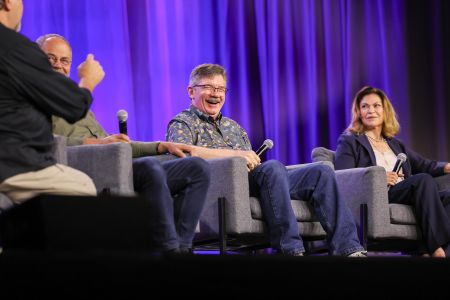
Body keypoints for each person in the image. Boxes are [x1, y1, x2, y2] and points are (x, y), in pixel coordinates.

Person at [166, 63, 366, 256]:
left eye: (221, 88)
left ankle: (349, 248)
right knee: (272, 168)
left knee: (320, 172)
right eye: (208, 87)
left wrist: (250, 159)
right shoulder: (182, 123)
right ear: (191, 91)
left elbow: (253, 162)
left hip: (258, 180)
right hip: (224, 187)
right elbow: (184, 156)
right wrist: (237, 156)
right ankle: (292, 249)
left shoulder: (233, 126)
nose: (216, 94)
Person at [37, 33, 210, 254]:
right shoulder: (33, 99)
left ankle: (181, 248)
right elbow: (44, 142)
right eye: (50, 59)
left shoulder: (79, 105)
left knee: (197, 168)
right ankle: (169, 249)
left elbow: (116, 144)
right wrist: (94, 143)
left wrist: (160, 146)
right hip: (84, 170)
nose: (58, 66)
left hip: (116, 164)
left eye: (64, 61)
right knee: (150, 167)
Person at [0, 0, 105, 203]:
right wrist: (88, 80)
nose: (58, 66)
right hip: (14, 164)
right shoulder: (14, 47)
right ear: (8, 2)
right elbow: (74, 106)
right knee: (83, 186)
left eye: (64, 60)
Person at [334, 85, 450, 258]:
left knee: (447, 195)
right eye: (365, 106)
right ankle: (437, 249)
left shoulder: (395, 143)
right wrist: (378, 179)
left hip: (404, 191)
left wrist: (446, 166)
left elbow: (424, 165)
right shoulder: (350, 141)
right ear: (358, 112)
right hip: (378, 194)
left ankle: (426, 249)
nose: (370, 110)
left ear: (384, 110)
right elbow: (344, 175)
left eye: (376, 106)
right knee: (422, 181)